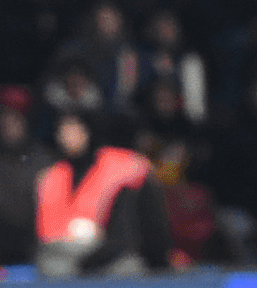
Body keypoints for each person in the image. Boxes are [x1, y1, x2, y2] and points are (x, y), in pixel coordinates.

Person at [35, 111, 171, 278]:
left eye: (73, 129)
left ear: (88, 130)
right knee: (51, 266)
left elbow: (134, 230)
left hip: (110, 249)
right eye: (63, 131)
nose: (68, 136)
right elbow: (46, 234)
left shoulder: (121, 165)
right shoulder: (52, 175)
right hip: (65, 252)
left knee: (128, 267)